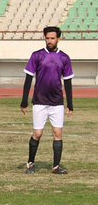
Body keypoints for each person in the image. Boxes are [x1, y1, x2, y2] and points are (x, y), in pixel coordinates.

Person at [21, 26, 74, 174]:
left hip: (57, 102)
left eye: (52, 38)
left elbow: (68, 82)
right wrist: (24, 101)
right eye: (47, 38)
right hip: (39, 101)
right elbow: (28, 78)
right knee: (37, 134)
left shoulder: (64, 58)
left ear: (58, 39)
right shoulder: (37, 55)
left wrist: (70, 104)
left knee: (58, 133)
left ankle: (56, 166)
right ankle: (30, 163)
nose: (49, 41)